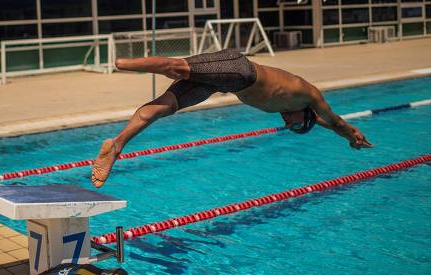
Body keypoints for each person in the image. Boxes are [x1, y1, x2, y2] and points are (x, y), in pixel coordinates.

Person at [91, 49, 373, 188]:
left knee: (162, 107)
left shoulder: (288, 109)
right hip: (240, 70)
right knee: (176, 67)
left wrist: (328, 128)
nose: (289, 124)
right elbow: (333, 121)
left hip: (223, 83)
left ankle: (115, 147)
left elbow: (320, 124)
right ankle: (123, 63)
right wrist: (351, 136)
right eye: (296, 124)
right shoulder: (310, 96)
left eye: (293, 127)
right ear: (307, 115)